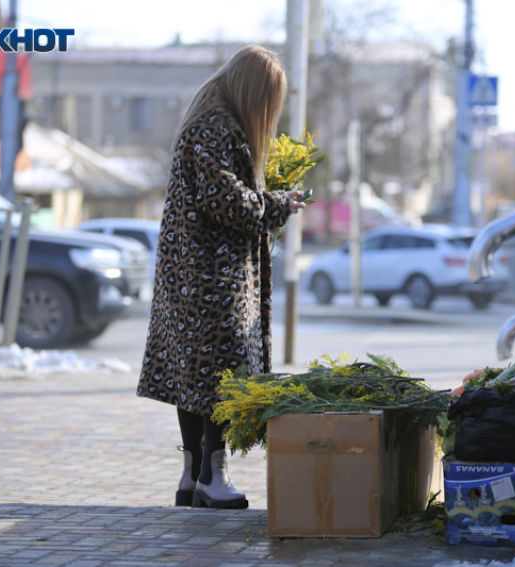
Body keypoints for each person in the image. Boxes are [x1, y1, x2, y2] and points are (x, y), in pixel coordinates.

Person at [137, 46, 306, 509]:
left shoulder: (204, 123)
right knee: (222, 374)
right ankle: (214, 475)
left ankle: (193, 475)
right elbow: (226, 201)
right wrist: (277, 204)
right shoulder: (216, 127)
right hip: (212, 277)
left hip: (190, 272)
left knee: (192, 374)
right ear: (254, 92)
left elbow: (219, 195)